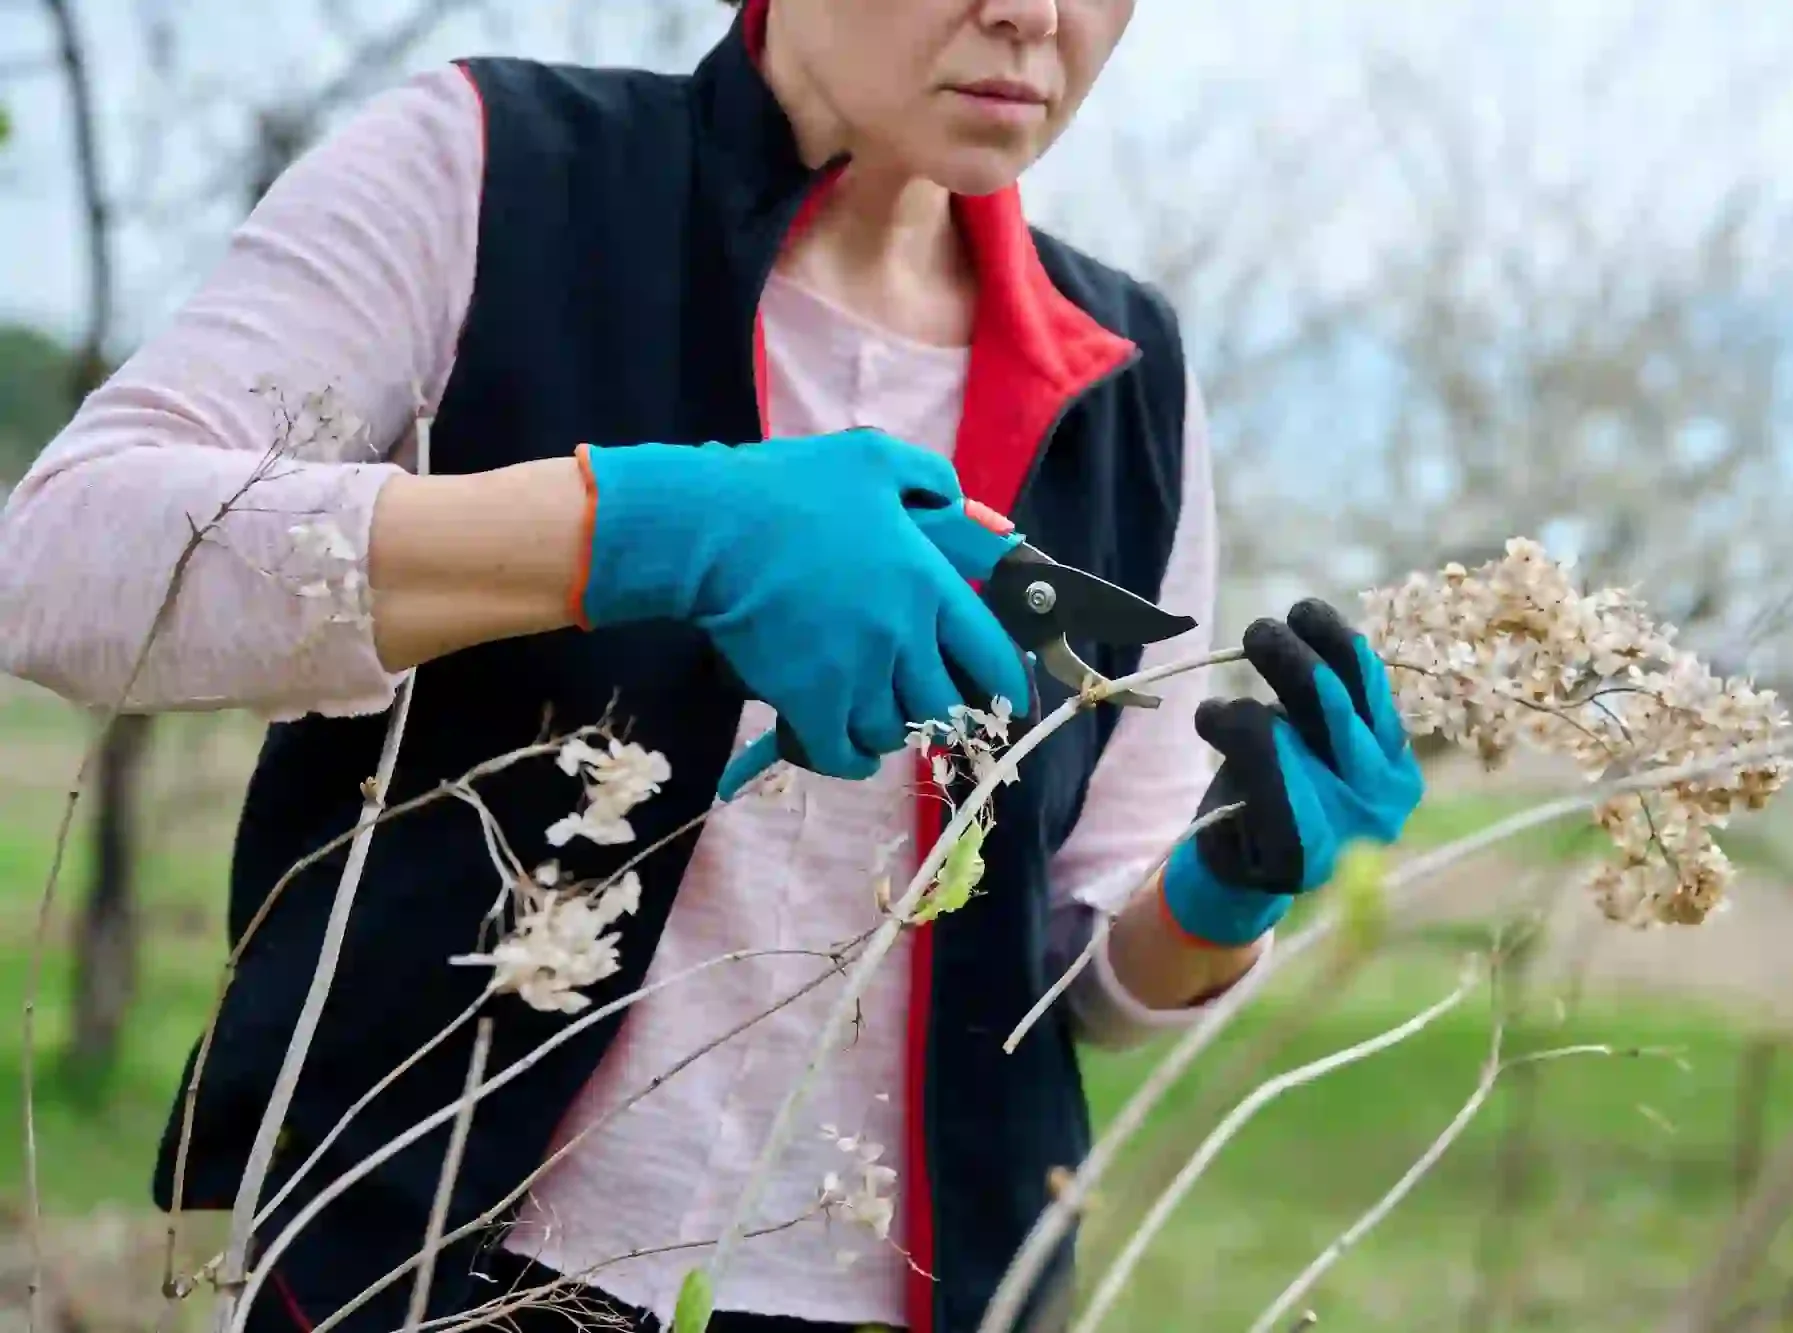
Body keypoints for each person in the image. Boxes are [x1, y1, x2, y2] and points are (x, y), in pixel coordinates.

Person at [0, 2, 1425, 1330]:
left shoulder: (1131, 379)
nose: (1034, 17)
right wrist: (641, 529)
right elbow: (61, 564)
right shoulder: (492, 174)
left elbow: (1082, 974)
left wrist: (1222, 889)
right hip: (428, 1273)